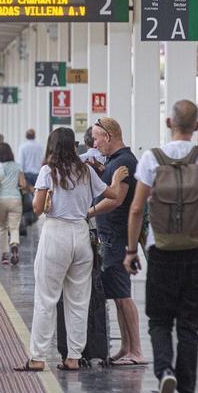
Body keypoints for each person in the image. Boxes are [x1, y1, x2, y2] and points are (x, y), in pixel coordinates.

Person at [125, 100, 198, 393]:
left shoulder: (151, 158)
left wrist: (131, 251)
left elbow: (136, 208)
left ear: (169, 123)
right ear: (197, 126)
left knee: (159, 320)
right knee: (189, 327)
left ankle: (164, 371)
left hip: (161, 249)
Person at [14, 128, 128, 372]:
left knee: (46, 298)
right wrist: (117, 179)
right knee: (78, 299)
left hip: (56, 233)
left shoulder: (48, 171)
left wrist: (45, 198)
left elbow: (36, 209)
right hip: (81, 234)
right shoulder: (86, 171)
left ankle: (37, 357)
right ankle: (73, 358)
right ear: (74, 146)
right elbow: (113, 194)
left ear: (52, 146)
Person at [88, 117, 144, 366]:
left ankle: (137, 351)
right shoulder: (113, 162)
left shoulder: (124, 162)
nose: (94, 142)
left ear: (108, 136)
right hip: (110, 236)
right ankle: (126, 347)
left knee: (123, 296)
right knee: (117, 294)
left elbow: (116, 199)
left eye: (97, 137)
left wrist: (87, 213)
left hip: (117, 237)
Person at [0, 142, 25, 265]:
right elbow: (23, 184)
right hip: (16, 199)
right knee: (14, 227)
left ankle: (4, 255)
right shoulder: (18, 166)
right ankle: (14, 244)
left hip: (1, 199)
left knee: (2, 227)